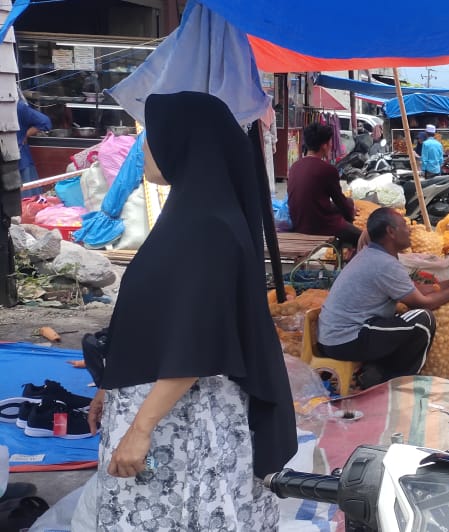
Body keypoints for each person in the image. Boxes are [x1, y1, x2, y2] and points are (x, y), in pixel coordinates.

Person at [87, 92, 297, 530]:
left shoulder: (206, 226)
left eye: (152, 138)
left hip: (184, 419)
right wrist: (111, 384)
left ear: (184, 143)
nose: (144, 148)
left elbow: (198, 339)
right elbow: (159, 313)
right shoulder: (191, 213)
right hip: (161, 408)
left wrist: (141, 428)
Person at [320, 209, 449, 388]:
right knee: (422, 319)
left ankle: (376, 371)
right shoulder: (384, 263)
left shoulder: (373, 256)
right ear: (391, 232)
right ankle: (395, 381)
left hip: (337, 337)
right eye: (405, 227)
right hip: (347, 339)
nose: (410, 231)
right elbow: (422, 302)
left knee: (406, 319)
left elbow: (414, 290)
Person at [287, 122, 361, 247]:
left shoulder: (295, 167)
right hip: (320, 225)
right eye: (330, 142)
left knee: (348, 203)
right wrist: (351, 214)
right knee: (362, 237)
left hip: (299, 221)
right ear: (324, 146)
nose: (331, 145)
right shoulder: (327, 169)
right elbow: (340, 201)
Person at [17, 100, 52, 198]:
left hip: (21, 163)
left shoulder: (18, 107)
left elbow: (45, 122)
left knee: (26, 203)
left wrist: (25, 134)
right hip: (16, 161)